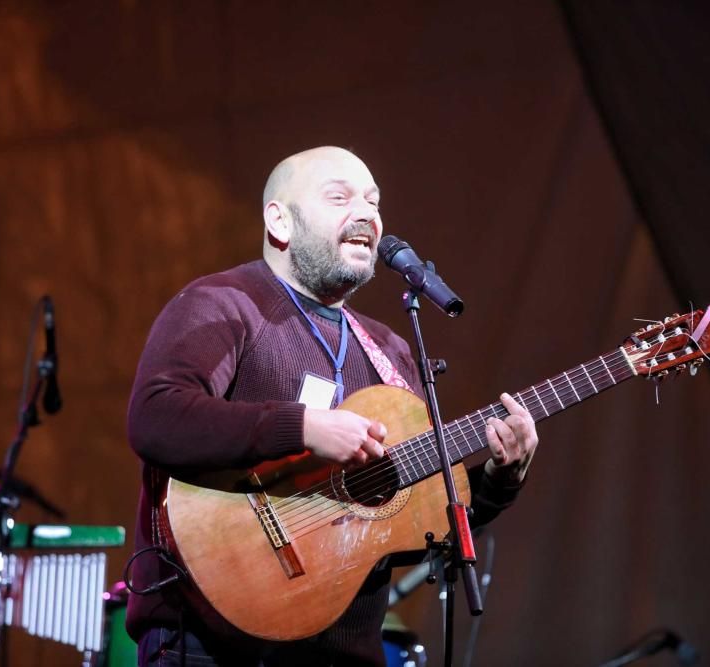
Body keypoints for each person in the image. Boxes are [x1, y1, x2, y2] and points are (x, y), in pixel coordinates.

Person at [125, 146, 539, 666]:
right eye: (340, 197)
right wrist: (302, 427)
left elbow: (405, 531)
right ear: (280, 219)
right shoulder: (223, 305)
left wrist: (502, 479)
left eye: (373, 200)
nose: (366, 213)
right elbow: (157, 418)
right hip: (211, 647)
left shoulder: (388, 351)